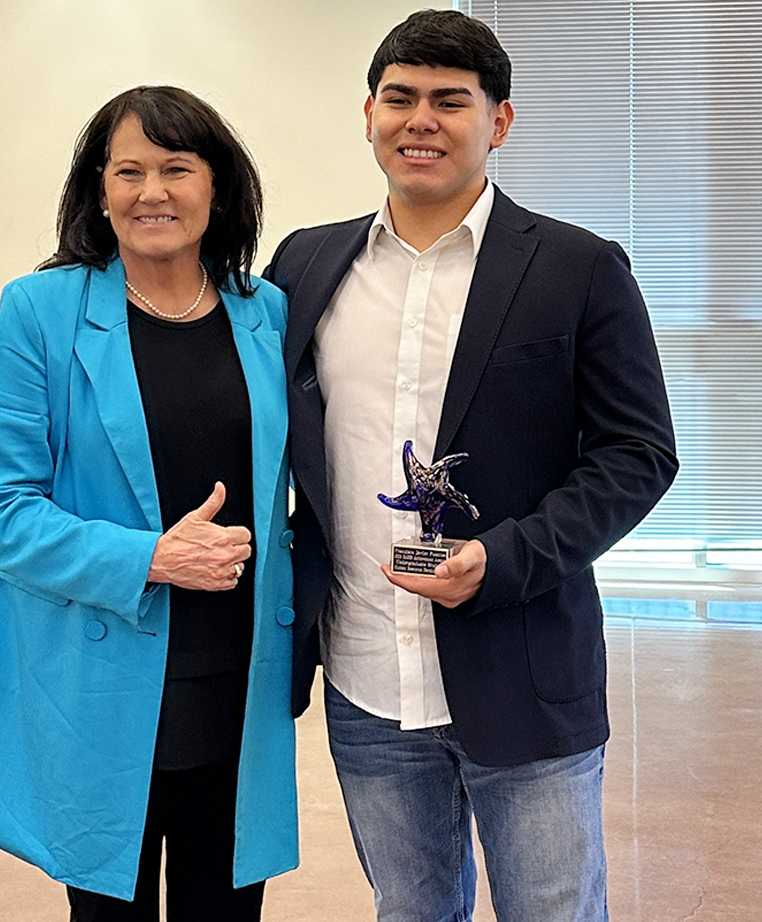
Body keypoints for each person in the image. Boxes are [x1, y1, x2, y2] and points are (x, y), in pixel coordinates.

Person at [264, 10, 677, 922]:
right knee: (411, 912)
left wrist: (507, 558)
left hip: (523, 668)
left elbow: (638, 454)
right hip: (366, 677)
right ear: (367, 113)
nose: (422, 120)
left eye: (451, 101)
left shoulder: (578, 267)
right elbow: (222, 376)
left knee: (553, 911)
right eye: (400, 98)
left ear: (499, 121)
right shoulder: (304, 263)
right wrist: (46, 335)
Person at [0, 85, 298, 922]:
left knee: (228, 909)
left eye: (176, 168)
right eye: (127, 171)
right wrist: (149, 558)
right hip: (103, 682)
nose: (151, 192)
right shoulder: (40, 311)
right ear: (100, 191)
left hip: (239, 683)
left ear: (218, 186)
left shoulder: (265, 312)